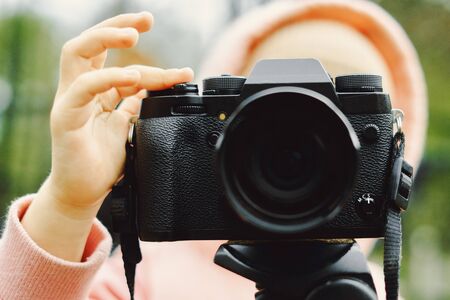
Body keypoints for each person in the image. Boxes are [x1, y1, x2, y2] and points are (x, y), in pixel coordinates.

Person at [0, 1, 427, 299]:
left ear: (389, 154)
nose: (300, 142)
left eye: (335, 114)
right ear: (216, 127)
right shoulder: (152, 279)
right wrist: (68, 204)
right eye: (276, 113)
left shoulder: (382, 290)